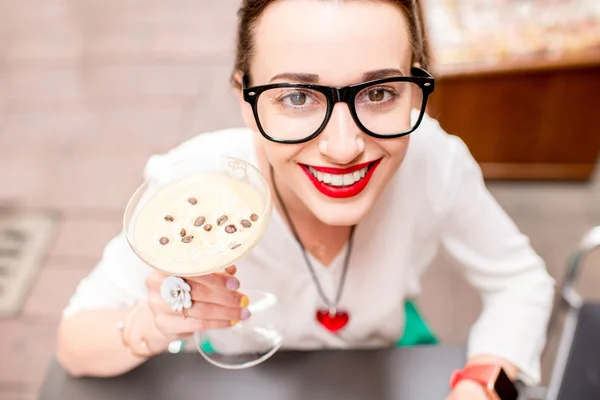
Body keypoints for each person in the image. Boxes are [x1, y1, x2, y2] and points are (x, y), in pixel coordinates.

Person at [56, 0, 555, 398]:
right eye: (297, 96)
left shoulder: (434, 161)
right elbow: (74, 343)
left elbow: (520, 282)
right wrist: (153, 323)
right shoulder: (196, 188)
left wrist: (484, 381)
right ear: (244, 100)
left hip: (386, 359)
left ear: (416, 84)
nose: (343, 148)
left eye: (380, 92)